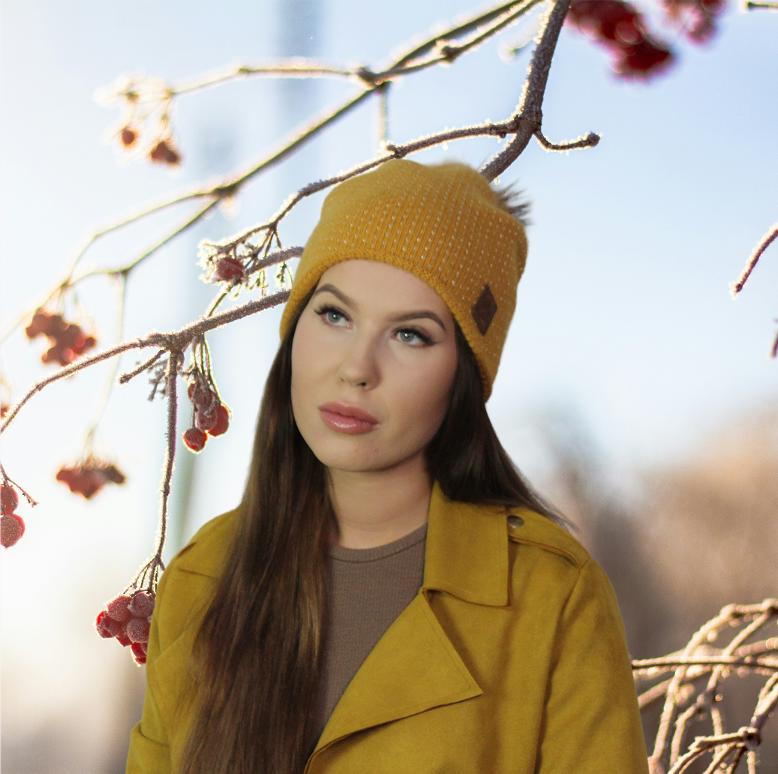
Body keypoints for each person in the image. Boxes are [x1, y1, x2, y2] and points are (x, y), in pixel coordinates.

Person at [126, 158, 650, 773]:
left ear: (464, 375)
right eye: (334, 315)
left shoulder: (551, 595)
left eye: (410, 335)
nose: (357, 368)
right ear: (294, 331)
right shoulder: (203, 579)